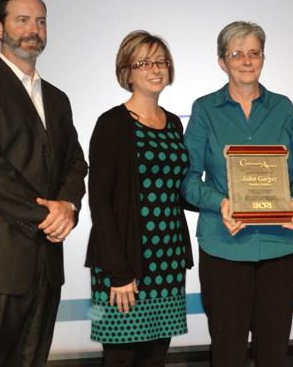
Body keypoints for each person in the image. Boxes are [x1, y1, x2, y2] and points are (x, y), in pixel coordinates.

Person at [0, 0, 87, 366]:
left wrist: (69, 205)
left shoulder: (57, 99)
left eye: (40, 21)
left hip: (43, 269)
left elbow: (75, 163)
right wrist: (47, 215)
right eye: (22, 20)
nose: (33, 29)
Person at [182, 21, 293, 366]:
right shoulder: (205, 109)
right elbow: (189, 179)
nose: (246, 60)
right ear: (223, 62)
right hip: (224, 246)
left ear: (263, 58)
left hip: (280, 246)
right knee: (227, 353)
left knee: (274, 353)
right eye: (237, 54)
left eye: (254, 52)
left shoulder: (282, 106)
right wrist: (222, 203)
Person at [85, 30, 194, 366]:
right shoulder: (112, 123)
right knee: (120, 356)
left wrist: (228, 198)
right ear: (127, 71)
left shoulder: (174, 123)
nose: (155, 69)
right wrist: (119, 272)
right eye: (144, 62)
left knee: (155, 357)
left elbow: (178, 189)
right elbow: (99, 201)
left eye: (161, 61)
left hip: (168, 260)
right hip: (124, 262)